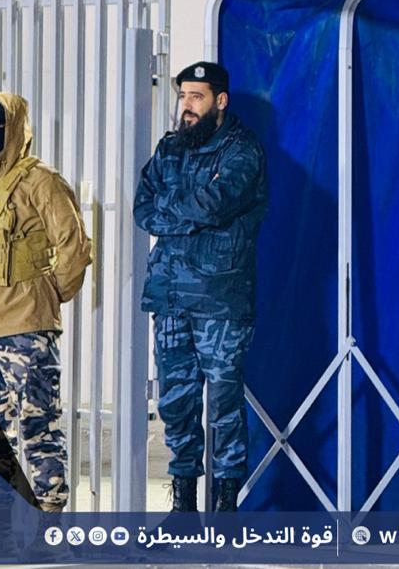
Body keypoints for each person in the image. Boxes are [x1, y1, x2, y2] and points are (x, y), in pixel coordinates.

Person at [134, 61, 267, 513]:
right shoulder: (170, 149)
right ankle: (184, 504)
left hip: (220, 301)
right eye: (183, 97)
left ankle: (226, 506)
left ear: (220, 101)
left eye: (197, 97)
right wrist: (186, 214)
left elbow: (214, 203)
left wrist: (176, 212)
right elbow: (143, 207)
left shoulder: (242, 150)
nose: (186, 106)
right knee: (176, 401)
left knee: (224, 403)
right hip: (170, 297)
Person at [0, 91, 93, 522]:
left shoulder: (42, 182)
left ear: (14, 129)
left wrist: (46, 296)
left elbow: (75, 247)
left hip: (27, 330)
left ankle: (49, 523)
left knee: (38, 426)